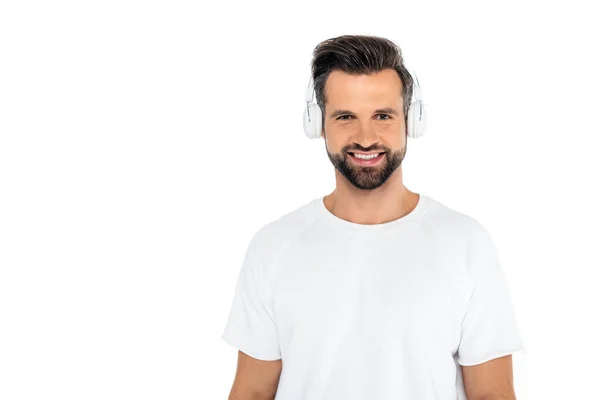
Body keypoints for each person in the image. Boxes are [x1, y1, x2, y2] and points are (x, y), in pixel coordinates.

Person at [221, 34, 525, 400]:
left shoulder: (466, 244)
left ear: (411, 120)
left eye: (383, 116)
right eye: (346, 117)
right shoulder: (273, 247)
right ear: (317, 123)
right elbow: (251, 392)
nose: (366, 137)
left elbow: (493, 394)